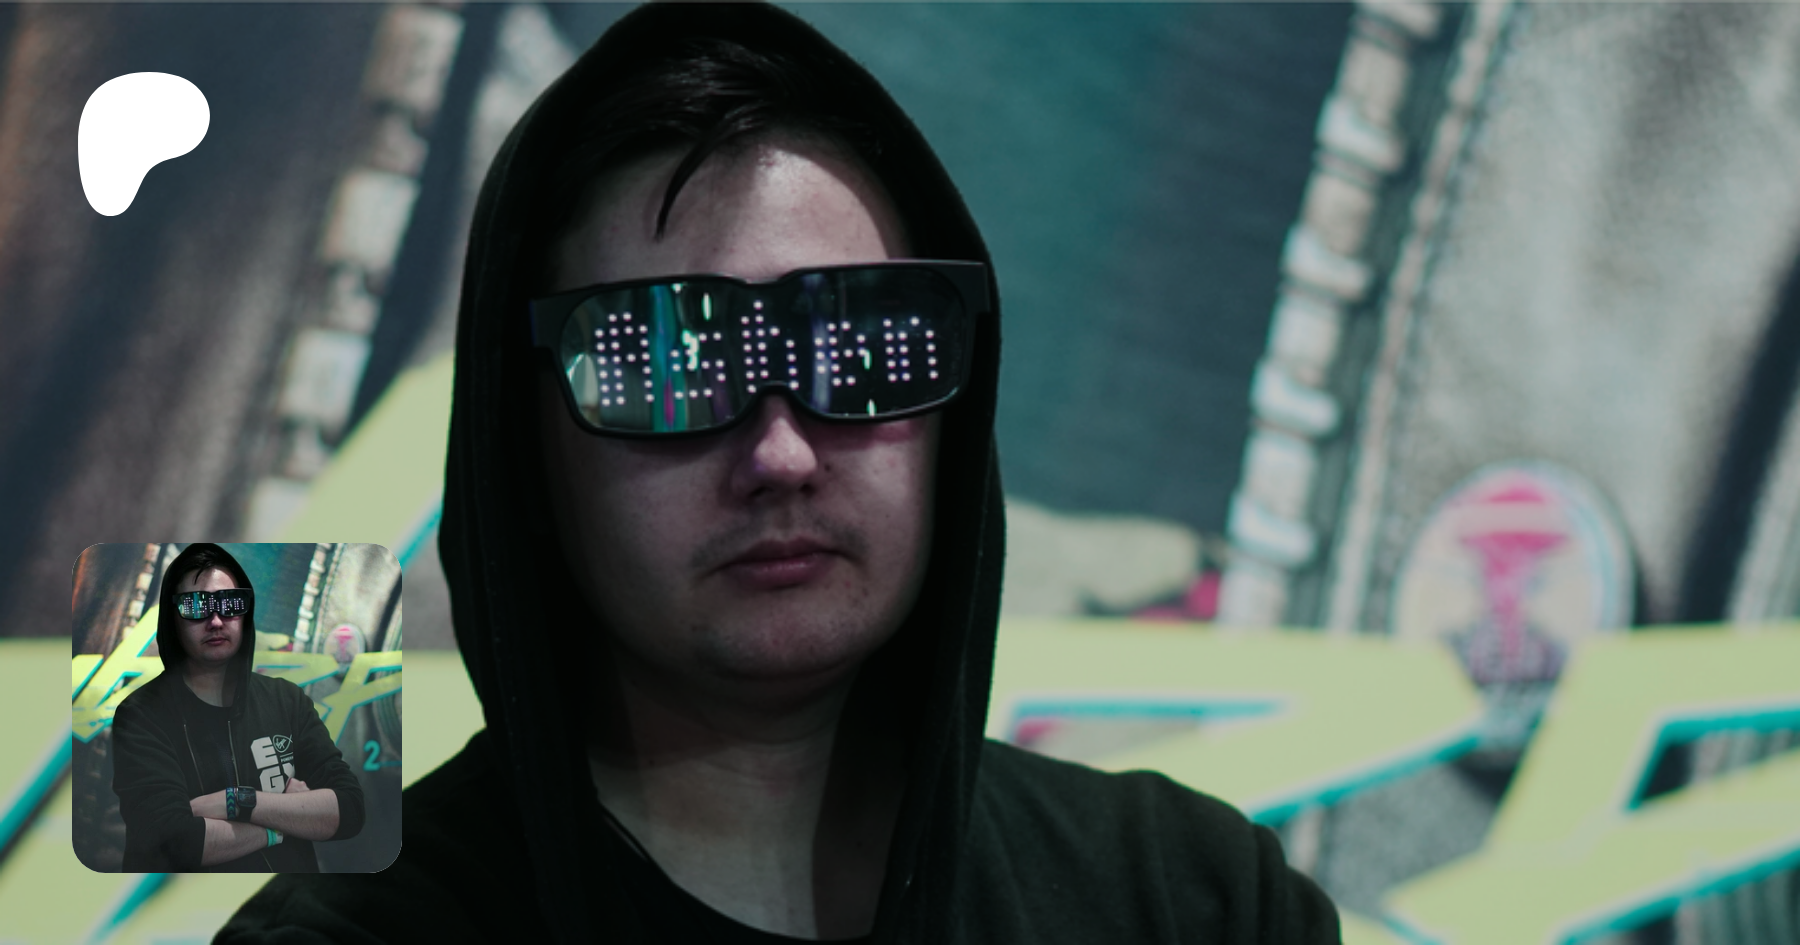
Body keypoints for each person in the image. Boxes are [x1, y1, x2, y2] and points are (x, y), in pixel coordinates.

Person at [222, 3, 1339, 940]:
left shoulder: (1187, 901)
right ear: (529, 452)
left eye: (861, 349)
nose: (782, 454)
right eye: (663, 366)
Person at [111, 543, 365, 872]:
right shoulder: (140, 715)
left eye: (230, 604)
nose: (216, 620)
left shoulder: (286, 700)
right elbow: (174, 842)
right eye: (196, 606)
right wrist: (286, 821)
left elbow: (349, 809)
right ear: (172, 618)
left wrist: (236, 802)